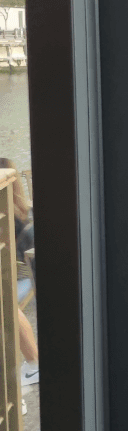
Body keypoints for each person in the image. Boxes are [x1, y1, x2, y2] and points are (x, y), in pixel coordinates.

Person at [0, 158, 41, 388]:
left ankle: (33, 364)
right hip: (27, 274)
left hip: (22, 278)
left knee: (6, 303)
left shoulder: (7, 218)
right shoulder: (19, 209)